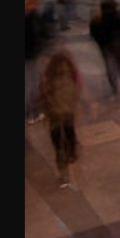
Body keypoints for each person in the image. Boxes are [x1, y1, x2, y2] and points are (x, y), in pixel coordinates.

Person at [40, 48, 82, 187]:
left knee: (57, 142)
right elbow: (77, 87)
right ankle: (72, 150)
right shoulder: (72, 72)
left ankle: (63, 174)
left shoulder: (48, 75)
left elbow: (43, 94)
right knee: (70, 131)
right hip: (68, 111)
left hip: (55, 114)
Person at [88, 0, 120, 100]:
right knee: (117, 67)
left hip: (112, 47)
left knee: (113, 68)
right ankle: (118, 86)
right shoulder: (119, 16)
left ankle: (116, 88)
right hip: (116, 46)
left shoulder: (97, 20)